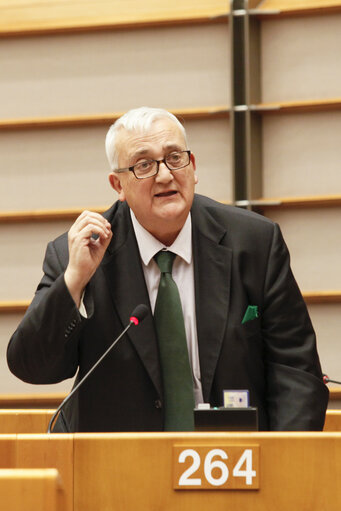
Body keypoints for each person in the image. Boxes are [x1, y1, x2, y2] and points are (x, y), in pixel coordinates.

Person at [7, 107, 328, 432]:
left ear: (193, 166)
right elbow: (34, 367)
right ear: (117, 184)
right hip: (115, 466)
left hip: (233, 459)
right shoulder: (78, 254)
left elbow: (296, 370)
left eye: (175, 158)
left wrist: (284, 463)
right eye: (144, 165)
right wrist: (73, 281)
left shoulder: (254, 242)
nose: (164, 175)